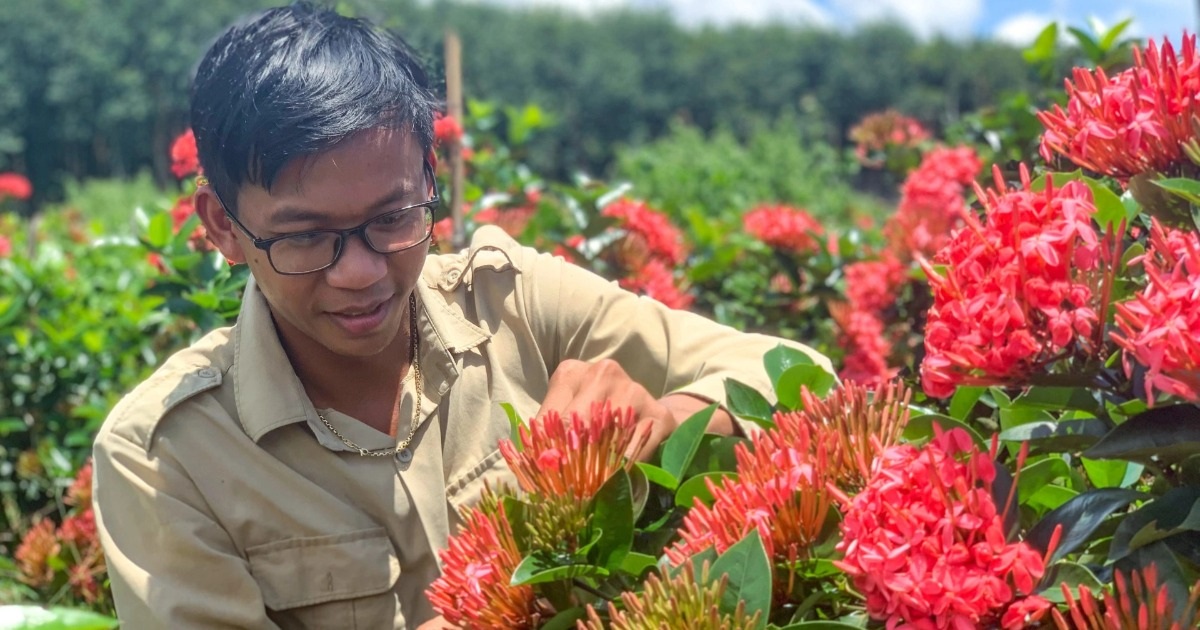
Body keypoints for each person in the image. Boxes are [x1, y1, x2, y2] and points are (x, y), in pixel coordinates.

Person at [92, 3, 830, 628]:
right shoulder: (163, 455)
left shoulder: (515, 303)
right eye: (306, 236)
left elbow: (802, 379)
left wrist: (669, 418)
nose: (362, 271)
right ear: (222, 226)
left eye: (395, 217)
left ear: (430, 178)